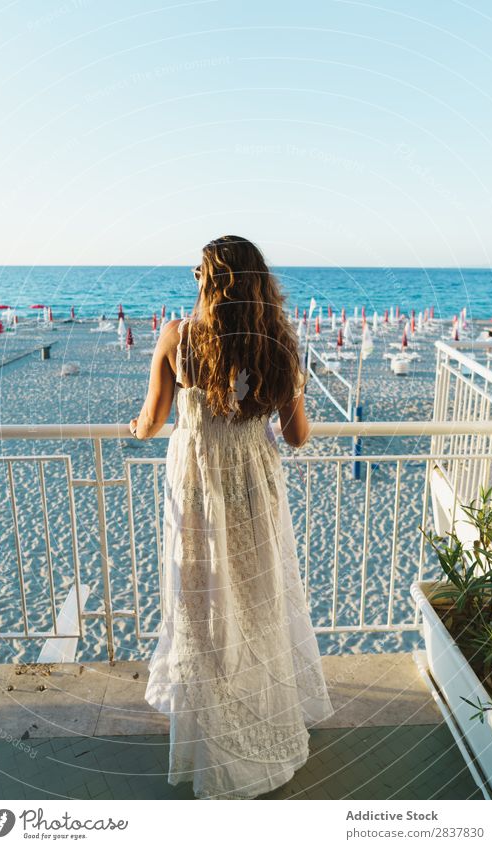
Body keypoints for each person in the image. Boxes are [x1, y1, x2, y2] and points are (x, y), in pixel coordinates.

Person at [130, 235, 335, 800]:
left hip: (198, 488)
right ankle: (261, 723)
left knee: (205, 603)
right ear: (257, 285)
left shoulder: (178, 338)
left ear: (209, 281)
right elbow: (296, 438)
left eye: (199, 271)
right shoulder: (278, 345)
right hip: (254, 485)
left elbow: (151, 421)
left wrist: (135, 429)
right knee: (256, 596)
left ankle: (214, 739)